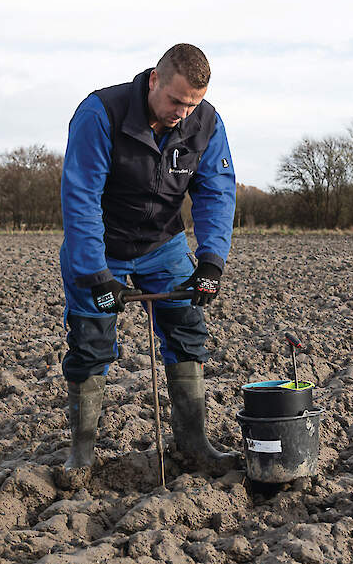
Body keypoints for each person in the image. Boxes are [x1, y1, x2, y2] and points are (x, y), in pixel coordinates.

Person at [58, 43, 238, 486]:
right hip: (102, 244)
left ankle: (194, 445)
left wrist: (211, 261)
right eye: (176, 100)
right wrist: (97, 274)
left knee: (188, 330)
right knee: (91, 341)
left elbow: (217, 191)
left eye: (192, 104)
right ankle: (81, 453)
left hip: (164, 242)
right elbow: (80, 198)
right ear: (154, 80)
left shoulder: (206, 124)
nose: (183, 112)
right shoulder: (102, 113)